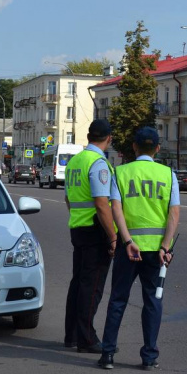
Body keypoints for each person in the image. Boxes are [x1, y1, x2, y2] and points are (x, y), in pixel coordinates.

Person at [98, 126, 180, 371]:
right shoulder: (168, 174)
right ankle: (149, 356)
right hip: (157, 251)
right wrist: (166, 246)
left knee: (117, 300)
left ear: (133, 147)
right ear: (157, 148)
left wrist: (127, 241)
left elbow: (116, 209)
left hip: (128, 250)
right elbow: (174, 214)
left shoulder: (121, 172)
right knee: (153, 301)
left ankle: (108, 354)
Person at [63, 119, 117, 354]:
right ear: (109, 138)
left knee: (78, 283)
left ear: (88, 136)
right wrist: (113, 237)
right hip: (96, 230)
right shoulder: (98, 163)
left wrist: (79, 217)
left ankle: (72, 335)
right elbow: (102, 204)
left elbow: (68, 198)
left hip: (78, 227)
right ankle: (87, 338)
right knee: (91, 287)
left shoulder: (75, 161)